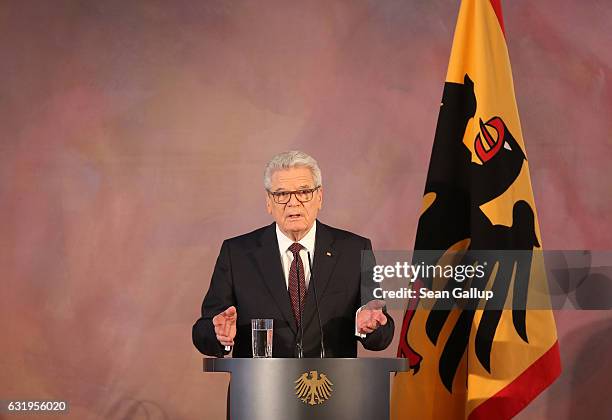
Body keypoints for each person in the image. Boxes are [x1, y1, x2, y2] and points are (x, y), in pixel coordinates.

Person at [192, 151, 394, 357]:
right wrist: (218, 333)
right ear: (269, 202)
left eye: (304, 191)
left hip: (330, 386)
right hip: (259, 386)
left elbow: (383, 333)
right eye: (281, 194)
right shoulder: (237, 254)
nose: (293, 202)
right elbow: (204, 330)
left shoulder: (354, 250)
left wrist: (371, 326)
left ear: (320, 197)